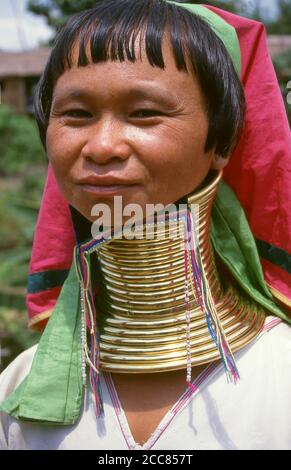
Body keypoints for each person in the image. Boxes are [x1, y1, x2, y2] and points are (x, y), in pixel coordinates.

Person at [0, 0, 291, 450]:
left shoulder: (280, 376)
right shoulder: (17, 390)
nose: (101, 146)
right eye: (76, 115)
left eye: (144, 114)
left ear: (223, 140)